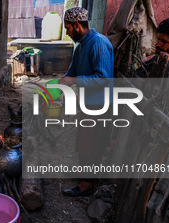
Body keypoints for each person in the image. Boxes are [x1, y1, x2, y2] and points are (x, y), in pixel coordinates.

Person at [58, 7, 114, 196]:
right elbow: (72, 72)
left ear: (77, 25)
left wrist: (73, 81)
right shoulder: (80, 46)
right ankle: (85, 173)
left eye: (68, 28)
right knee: (84, 139)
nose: (67, 32)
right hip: (87, 102)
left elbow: (103, 77)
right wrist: (58, 89)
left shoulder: (98, 43)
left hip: (100, 104)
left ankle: (87, 185)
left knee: (93, 142)